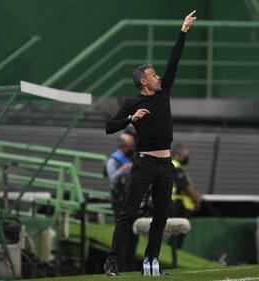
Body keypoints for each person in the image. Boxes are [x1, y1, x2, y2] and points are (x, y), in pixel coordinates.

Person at [103, 10, 197, 276]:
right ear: (143, 81)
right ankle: (112, 260)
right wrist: (130, 118)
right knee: (128, 212)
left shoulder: (162, 92)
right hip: (143, 164)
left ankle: (150, 261)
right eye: (153, 75)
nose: (159, 77)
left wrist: (183, 32)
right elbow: (110, 127)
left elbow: (174, 61)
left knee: (161, 215)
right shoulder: (133, 103)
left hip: (165, 164)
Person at [105, 132, 136, 272]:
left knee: (133, 233)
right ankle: (121, 264)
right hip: (119, 200)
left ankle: (130, 264)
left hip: (129, 199)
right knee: (123, 232)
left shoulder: (128, 158)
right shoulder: (114, 160)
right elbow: (112, 180)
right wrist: (123, 170)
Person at [169, 143, 201, 248]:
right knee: (177, 235)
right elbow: (186, 187)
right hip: (179, 205)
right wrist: (197, 199)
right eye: (185, 154)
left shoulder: (174, 166)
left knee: (177, 234)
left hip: (179, 204)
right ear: (178, 154)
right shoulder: (175, 166)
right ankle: (173, 258)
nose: (187, 157)